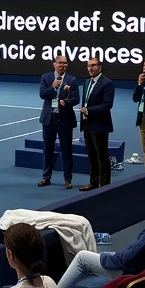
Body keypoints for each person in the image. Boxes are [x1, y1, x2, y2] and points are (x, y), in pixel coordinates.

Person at [38, 55, 80, 189]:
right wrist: (53, 86)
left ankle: (68, 179)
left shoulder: (72, 80)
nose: (62, 65)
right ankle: (46, 177)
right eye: (60, 63)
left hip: (65, 118)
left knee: (66, 150)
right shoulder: (46, 77)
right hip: (49, 118)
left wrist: (66, 102)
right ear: (54, 64)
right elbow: (43, 95)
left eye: (65, 63)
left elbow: (76, 99)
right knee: (47, 149)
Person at [79, 57, 116, 191]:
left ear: (100, 67)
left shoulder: (107, 83)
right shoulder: (87, 82)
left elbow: (107, 105)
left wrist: (89, 110)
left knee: (102, 157)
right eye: (88, 66)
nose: (90, 68)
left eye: (93, 65)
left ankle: (104, 186)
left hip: (100, 125)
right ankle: (93, 183)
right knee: (92, 156)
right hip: (87, 124)